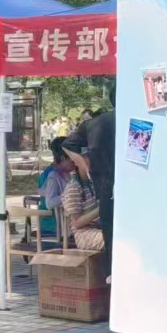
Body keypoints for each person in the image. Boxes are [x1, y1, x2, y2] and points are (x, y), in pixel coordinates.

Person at [64, 85, 115, 265]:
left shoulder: (95, 123)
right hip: (125, 184)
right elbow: (77, 223)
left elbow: (68, 144)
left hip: (105, 186)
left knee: (113, 237)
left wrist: (86, 166)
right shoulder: (137, 119)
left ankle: (111, 274)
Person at [61, 151, 104, 251]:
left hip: (102, 227)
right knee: (113, 239)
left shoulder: (94, 183)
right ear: (77, 162)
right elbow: (77, 223)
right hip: (84, 234)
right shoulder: (73, 187)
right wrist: (101, 208)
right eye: (87, 157)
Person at [35, 136, 71, 236]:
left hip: (58, 222)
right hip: (54, 224)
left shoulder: (63, 173)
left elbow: (40, 190)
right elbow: (47, 196)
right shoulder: (53, 174)